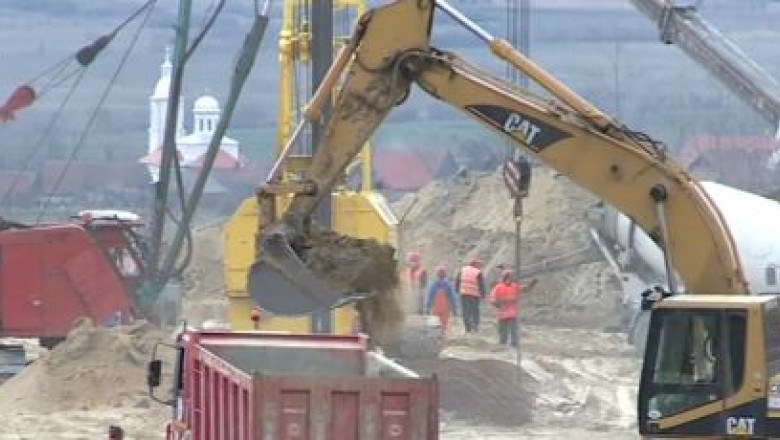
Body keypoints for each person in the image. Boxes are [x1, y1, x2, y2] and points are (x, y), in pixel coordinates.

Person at [489, 270, 537, 347]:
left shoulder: (501, 287)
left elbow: (492, 299)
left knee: (506, 331)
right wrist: (531, 285)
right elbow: (526, 289)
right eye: (511, 276)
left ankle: (506, 344)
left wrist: (531, 284)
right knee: (511, 330)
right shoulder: (512, 286)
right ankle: (510, 344)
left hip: (506, 313)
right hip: (509, 313)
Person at [424, 266, 459, 338]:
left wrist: (427, 307)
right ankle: (442, 337)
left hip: (435, 308)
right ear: (445, 275)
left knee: (435, 324)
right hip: (445, 309)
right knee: (444, 324)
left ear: (436, 274)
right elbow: (452, 298)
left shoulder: (433, 285)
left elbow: (430, 297)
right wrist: (454, 309)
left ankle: (436, 337)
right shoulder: (448, 285)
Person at [455, 257, 487, 333]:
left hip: (464, 294)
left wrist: (457, 290)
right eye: (479, 265)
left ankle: (467, 328)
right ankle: (475, 326)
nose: (480, 266)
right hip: (474, 295)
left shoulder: (462, 270)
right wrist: (483, 295)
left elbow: (457, 281)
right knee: (475, 311)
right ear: (476, 265)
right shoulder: (478, 272)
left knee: (465, 311)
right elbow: (481, 285)